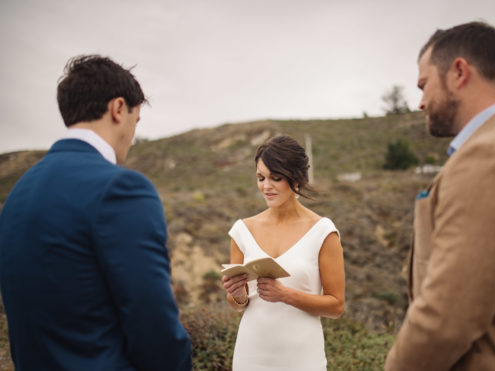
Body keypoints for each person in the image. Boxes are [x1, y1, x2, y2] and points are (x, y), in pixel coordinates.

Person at [0, 55, 192, 370]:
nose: (132, 135)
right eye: (136, 120)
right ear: (118, 109)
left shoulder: (19, 193)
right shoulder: (122, 188)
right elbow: (153, 321)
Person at [385, 22, 495, 370]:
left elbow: (446, 319)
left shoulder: (494, 156)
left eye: (424, 84)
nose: (420, 102)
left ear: (459, 72)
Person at [221, 135, 345, 370]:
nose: (266, 186)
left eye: (275, 178)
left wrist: (285, 295)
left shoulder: (323, 232)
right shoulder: (242, 231)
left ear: (296, 178)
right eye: (260, 178)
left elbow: (336, 306)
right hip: (251, 355)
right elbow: (238, 305)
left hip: (302, 357)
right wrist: (238, 294)